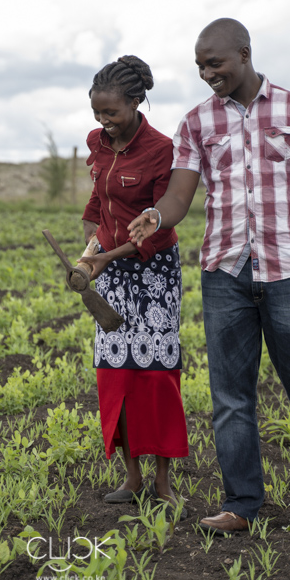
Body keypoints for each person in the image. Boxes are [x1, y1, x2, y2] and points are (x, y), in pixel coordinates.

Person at [128, 19, 290, 536]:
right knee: (231, 399)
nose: (208, 74)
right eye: (200, 67)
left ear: (245, 54)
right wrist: (156, 215)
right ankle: (241, 505)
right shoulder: (196, 123)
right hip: (225, 273)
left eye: (216, 63)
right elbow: (181, 196)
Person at [77, 55, 190, 517]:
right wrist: (89, 249)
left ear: (137, 102)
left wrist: (106, 255)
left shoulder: (162, 148)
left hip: (153, 275)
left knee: (155, 376)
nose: (104, 123)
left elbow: (160, 226)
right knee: (117, 372)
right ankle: (133, 477)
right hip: (109, 273)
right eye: (97, 114)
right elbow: (98, 199)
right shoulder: (97, 142)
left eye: (113, 114)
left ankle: (163, 482)